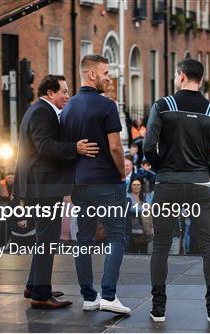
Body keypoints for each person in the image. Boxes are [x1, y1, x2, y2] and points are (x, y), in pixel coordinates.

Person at [143, 59, 210, 325]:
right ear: (200, 80)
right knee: (208, 246)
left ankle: (158, 308)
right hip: (199, 185)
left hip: (167, 184)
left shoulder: (162, 106)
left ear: (180, 76)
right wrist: (207, 172)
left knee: (160, 246)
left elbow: (148, 147)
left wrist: (162, 168)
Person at [14, 74, 98, 309]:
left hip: (40, 186)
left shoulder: (37, 109)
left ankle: (35, 285)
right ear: (50, 92)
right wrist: (76, 148)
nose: (67, 96)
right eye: (63, 91)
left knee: (44, 237)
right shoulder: (42, 112)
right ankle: (41, 295)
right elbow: (45, 146)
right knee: (47, 239)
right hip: (43, 187)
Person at [61, 55, 130, 314]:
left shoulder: (67, 108)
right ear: (91, 74)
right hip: (106, 182)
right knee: (116, 237)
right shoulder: (107, 105)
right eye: (105, 73)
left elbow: (66, 149)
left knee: (84, 238)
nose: (108, 78)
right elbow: (115, 146)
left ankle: (89, 297)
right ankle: (109, 296)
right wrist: (121, 174)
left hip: (80, 184)